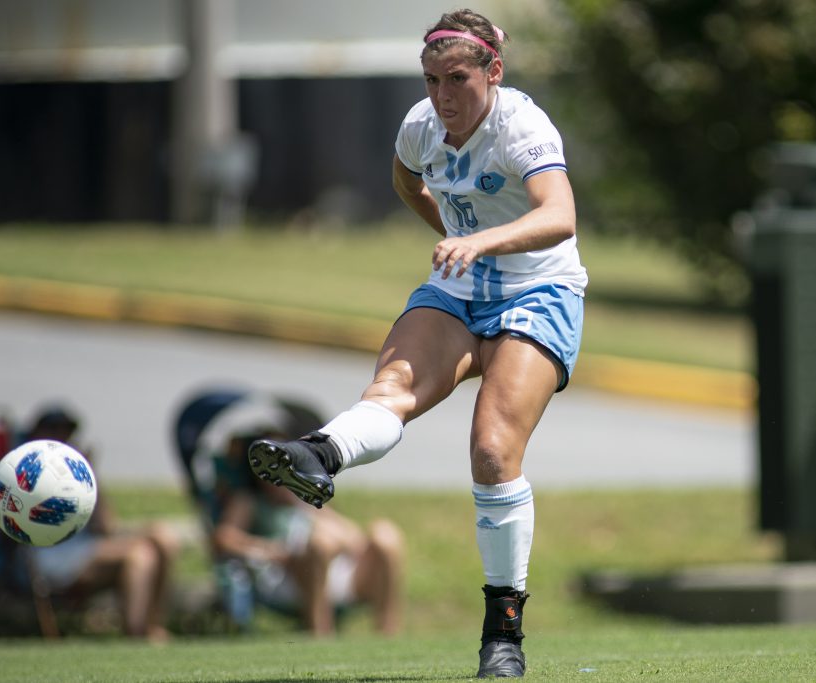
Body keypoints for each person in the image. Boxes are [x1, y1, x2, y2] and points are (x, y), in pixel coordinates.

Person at [248, 8, 587, 678]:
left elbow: (560, 215)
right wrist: (449, 231)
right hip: (459, 291)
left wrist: (477, 239)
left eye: (457, 78)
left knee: (492, 450)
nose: (442, 96)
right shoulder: (421, 125)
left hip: (539, 291)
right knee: (391, 388)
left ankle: (503, 635)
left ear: (493, 70)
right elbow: (406, 180)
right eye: (431, 79)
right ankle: (318, 452)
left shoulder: (522, 124)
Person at [208, 411, 403, 636]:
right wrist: (272, 551)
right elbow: (223, 539)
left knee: (385, 535)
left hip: (333, 572)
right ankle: (320, 634)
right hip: (284, 579)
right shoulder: (250, 500)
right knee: (320, 543)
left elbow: (355, 540)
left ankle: (388, 634)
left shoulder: (304, 498)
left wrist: (304, 508)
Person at [24, 406, 179, 641]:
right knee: (139, 555)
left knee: (162, 537)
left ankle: (153, 626)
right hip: (51, 557)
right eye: (54, 430)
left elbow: (106, 527)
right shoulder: (26, 475)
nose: (62, 437)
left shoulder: (72, 475)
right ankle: (137, 633)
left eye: (66, 432)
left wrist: (89, 477)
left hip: (86, 548)